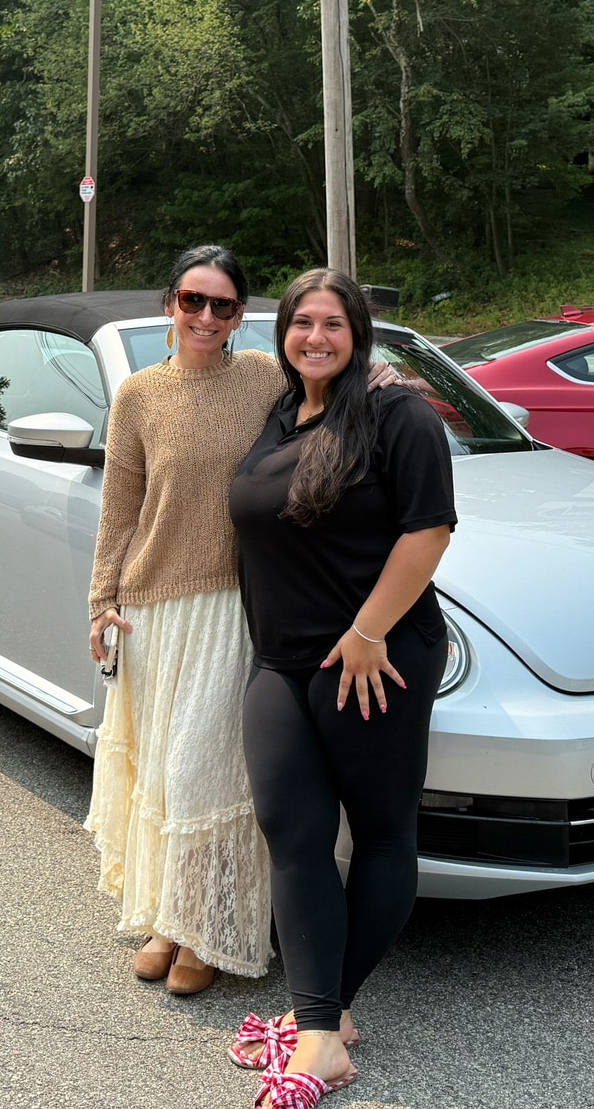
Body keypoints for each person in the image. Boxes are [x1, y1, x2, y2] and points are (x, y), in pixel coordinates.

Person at [228, 269, 455, 1107]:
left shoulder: (399, 416)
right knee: (293, 831)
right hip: (282, 661)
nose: (315, 336)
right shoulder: (280, 413)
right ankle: (326, 1022)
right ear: (283, 334)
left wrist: (367, 632)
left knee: (383, 834)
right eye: (301, 323)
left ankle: (322, 1027)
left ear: (358, 332)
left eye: (332, 323)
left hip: (373, 658)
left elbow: (429, 531)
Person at [83, 245, 283, 994]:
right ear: (170, 304)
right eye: (192, 300)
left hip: (232, 606)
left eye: (222, 305)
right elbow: (120, 509)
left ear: (240, 316)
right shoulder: (138, 395)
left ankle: (203, 927)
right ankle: (168, 919)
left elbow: (334, 391)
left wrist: (385, 379)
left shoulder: (265, 379)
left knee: (204, 772)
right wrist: (102, 601)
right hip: (151, 613)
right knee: (164, 772)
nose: (205, 316)